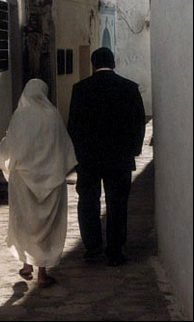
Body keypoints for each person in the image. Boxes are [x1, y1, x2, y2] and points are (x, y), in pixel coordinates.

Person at [0, 78, 77, 286]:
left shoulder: (20, 116)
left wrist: (5, 161)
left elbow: (9, 146)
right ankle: (42, 272)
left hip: (22, 181)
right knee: (48, 225)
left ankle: (26, 264)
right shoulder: (53, 116)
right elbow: (63, 146)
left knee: (23, 222)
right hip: (51, 180)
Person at [68, 47, 145, 266]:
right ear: (114, 63)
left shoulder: (80, 90)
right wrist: (134, 150)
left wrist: (79, 153)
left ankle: (92, 248)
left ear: (93, 64)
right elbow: (138, 122)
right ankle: (115, 250)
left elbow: (73, 125)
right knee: (117, 203)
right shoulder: (129, 89)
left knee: (88, 202)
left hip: (89, 159)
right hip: (119, 158)